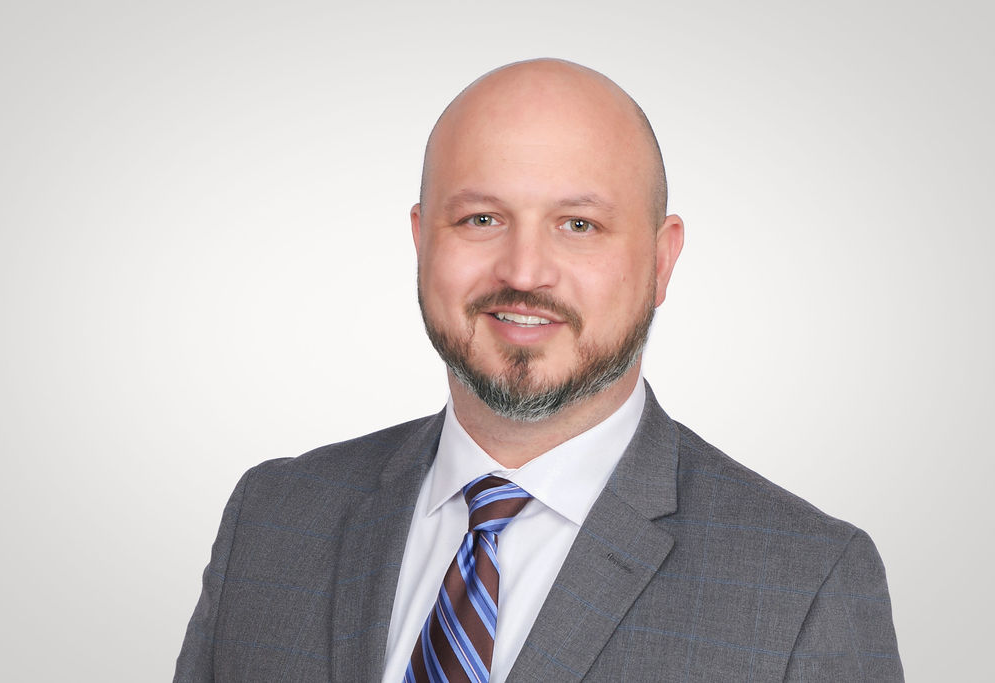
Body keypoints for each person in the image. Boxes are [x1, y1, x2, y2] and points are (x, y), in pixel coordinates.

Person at [175, 59, 902, 682]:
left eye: (578, 224)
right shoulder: (270, 519)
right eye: (481, 219)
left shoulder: (806, 583)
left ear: (661, 259)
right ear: (420, 240)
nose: (524, 271)